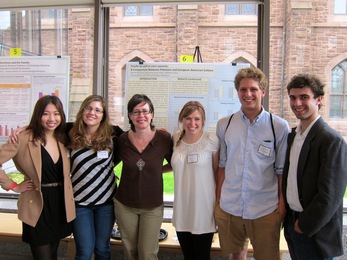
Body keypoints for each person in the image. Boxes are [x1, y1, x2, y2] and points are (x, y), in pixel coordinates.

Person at [214, 67, 290, 260]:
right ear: (237, 92)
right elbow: (222, 165)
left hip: (264, 208)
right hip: (231, 207)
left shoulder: (278, 126)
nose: (248, 94)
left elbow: (281, 170)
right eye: (243, 89)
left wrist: (281, 206)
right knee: (235, 256)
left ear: (262, 92)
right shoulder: (225, 124)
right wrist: (218, 199)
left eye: (253, 89)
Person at [0, 95, 76, 260]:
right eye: (46, 113)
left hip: (60, 203)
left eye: (56, 114)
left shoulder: (64, 136)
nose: (52, 119)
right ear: (38, 115)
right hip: (37, 203)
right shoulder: (22, 138)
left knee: (54, 253)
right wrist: (13, 185)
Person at [282, 74, 347, 259]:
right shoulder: (294, 135)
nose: (297, 103)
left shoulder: (331, 140)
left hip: (314, 231)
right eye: (293, 97)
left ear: (319, 99)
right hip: (293, 224)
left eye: (304, 97)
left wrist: (304, 225)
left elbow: (331, 195)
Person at [114, 94, 173, 260]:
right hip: (125, 205)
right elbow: (108, 163)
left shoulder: (164, 139)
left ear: (152, 114)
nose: (141, 116)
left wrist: (155, 171)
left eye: (145, 111)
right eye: (136, 112)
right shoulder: (123, 140)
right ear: (130, 116)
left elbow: (176, 163)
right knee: (130, 251)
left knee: (147, 253)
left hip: (152, 206)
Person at [68, 95, 123, 260]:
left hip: (106, 204)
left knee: (102, 249)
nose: (92, 113)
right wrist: (25, 128)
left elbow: (135, 138)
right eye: (89, 108)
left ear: (103, 115)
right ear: (82, 110)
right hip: (80, 204)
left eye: (98, 110)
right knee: (84, 251)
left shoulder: (114, 134)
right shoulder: (69, 132)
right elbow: (44, 126)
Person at [171, 101, 219, 260]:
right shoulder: (176, 138)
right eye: (188, 118)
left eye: (197, 119)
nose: (192, 123)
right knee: (188, 255)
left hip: (203, 209)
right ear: (182, 120)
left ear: (203, 121)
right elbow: (177, 165)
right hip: (182, 207)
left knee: (202, 256)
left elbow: (218, 173)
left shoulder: (211, 139)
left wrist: (219, 204)